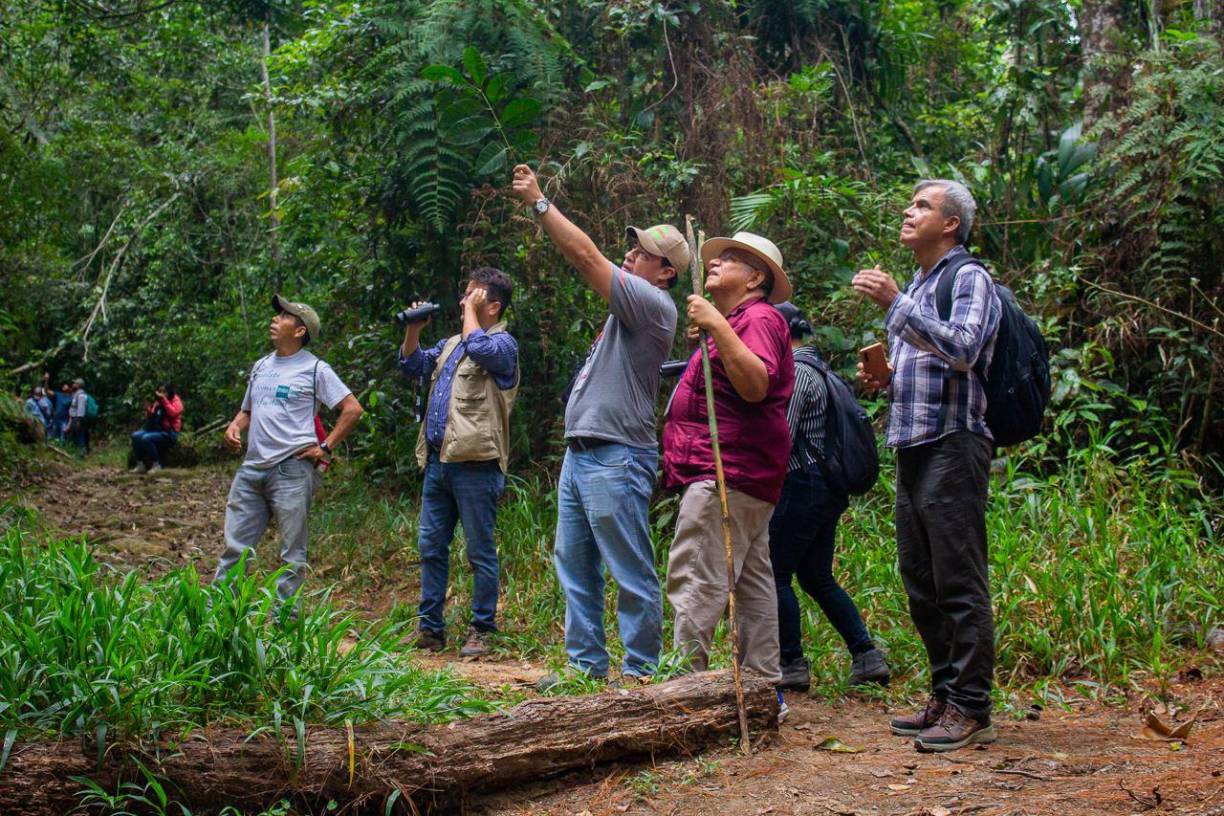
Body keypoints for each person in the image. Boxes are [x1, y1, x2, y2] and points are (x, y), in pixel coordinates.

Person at [511, 164, 687, 687]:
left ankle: (640, 674)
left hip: (617, 454)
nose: (629, 256)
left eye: (641, 254)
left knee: (629, 567)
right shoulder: (624, 311)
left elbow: (585, 256)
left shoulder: (653, 305)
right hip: (583, 453)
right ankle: (585, 666)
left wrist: (541, 204)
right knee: (575, 563)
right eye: (629, 249)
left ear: (665, 273)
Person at [852, 179, 1001, 753]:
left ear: (951, 224)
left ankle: (972, 706)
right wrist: (888, 379)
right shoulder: (920, 282)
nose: (908, 211)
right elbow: (930, 365)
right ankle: (945, 694)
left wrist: (896, 304)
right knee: (921, 581)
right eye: (909, 202)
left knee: (959, 580)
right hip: (912, 442)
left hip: (954, 443)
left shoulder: (968, 277)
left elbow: (964, 348)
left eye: (922, 206)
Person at [661, 231, 794, 704]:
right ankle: (761, 692)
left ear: (755, 277)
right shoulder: (740, 319)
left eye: (729, 260)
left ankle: (683, 698)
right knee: (752, 583)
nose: (714, 264)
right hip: (745, 476)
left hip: (727, 472)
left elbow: (756, 383)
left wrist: (718, 325)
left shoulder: (756, 317)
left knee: (697, 575)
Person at [768, 302, 891, 693]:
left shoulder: (799, 373)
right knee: (816, 577)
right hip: (826, 488)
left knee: (775, 574)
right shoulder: (823, 370)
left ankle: (791, 662)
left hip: (802, 483)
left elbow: (780, 436)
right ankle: (867, 655)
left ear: (783, 332)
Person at [213, 295, 364, 609]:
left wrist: (325, 447)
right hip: (252, 469)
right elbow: (249, 410)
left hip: (292, 469)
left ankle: (286, 627)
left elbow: (351, 409)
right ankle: (217, 621)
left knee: (291, 552)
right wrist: (234, 426)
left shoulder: (315, 369)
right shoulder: (261, 366)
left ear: (299, 331)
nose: (274, 320)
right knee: (234, 549)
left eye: (283, 317)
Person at [399, 267, 519, 657]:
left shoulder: (503, 345)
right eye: (465, 293)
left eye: (475, 295)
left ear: (494, 306)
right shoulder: (451, 344)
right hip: (439, 461)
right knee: (431, 546)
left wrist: (471, 314)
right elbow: (413, 366)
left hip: (477, 464)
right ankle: (430, 630)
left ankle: (482, 629)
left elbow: (481, 349)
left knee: (479, 551)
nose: (464, 300)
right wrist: (414, 328)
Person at [130, 383, 184, 474]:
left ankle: (156, 464)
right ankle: (140, 464)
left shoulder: (176, 401)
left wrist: (164, 400)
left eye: (164, 391)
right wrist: (148, 411)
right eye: (160, 391)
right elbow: (153, 416)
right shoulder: (158, 402)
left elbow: (173, 413)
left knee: (146, 438)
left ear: (169, 392)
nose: (162, 393)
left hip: (169, 432)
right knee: (135, 436)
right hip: (156, 429)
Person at [67, 378, 93, 455]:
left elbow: (81, 408)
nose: (73, 385)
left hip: (78, 419)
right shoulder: (76, 394)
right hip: (75, 418)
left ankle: (82, 453)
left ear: (78, 385)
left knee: (80, 435)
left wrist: (79, 420)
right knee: (76, 435)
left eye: (74, 383)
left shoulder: (81, 395)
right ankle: (77, 451)